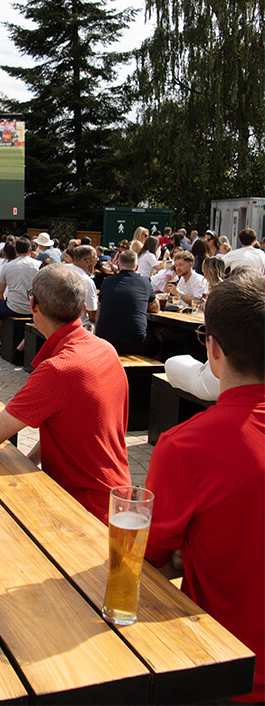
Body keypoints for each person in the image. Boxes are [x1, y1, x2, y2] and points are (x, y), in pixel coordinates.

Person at [145, 272, 265, 703]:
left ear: (212, 349)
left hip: (228, 672)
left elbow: (146, 558)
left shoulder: (187, 446)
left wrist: (186, 551)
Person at [0, 264, 130, 524]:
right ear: (80, 306)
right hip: (118, 501)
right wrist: (29, 461)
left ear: (33, 304)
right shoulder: (105, 349)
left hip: (82, 511)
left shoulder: (58, 370)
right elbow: (74, 424)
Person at [96, 250, 160, 357]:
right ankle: (149, 372)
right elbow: (155, 308)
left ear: (118, 266)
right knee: (159, 340)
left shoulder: (107, 281)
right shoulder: (145, 282)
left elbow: (99, 308)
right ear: (136, 267)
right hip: (136, 342)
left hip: (105, 340)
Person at [0, 237, 40, 351]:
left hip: (13, 307)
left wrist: (3, 302)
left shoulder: (8, 266)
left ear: (16, 251)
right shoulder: (39, 265)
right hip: (33, 308)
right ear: (30, 250)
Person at [69, 245, 98, 327]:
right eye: (95, 260)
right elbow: (93, 315)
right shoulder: (87, 282)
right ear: (87, 261)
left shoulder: (61, 269)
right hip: (77, 326)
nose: (95, 263)